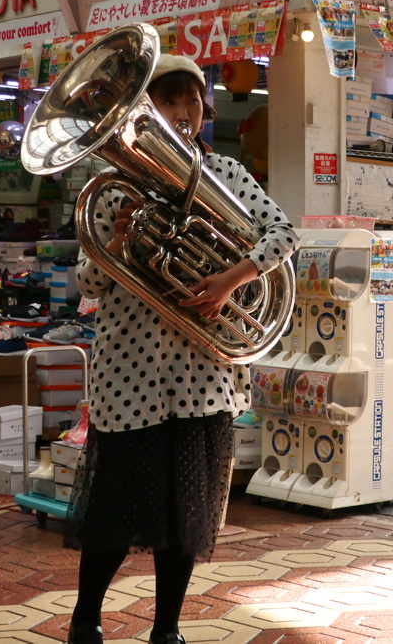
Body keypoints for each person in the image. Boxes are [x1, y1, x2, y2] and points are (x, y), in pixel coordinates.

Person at [66, 54, 298, 644]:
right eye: (170, 100)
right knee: (114, 514)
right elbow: (86, 285)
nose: (184, 111)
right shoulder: (114, 186)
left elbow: (284, 234)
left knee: (185, 521)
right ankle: (85, 620)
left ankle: (166, 630)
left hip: (202, 378)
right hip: (129, 376)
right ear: (146, 109)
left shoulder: (224, 172)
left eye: (192, 100)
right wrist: (115, 243)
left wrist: (231, 280)